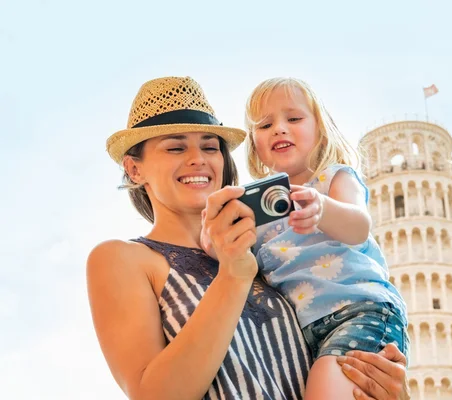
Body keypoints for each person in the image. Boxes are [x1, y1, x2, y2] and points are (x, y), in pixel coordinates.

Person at [86, 76, 410, 400]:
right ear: (134, 168)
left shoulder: (270, 259)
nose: (198, 158)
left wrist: (381, 389)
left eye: (211, 147)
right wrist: (232, 275)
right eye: (176, 147)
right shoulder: (122, 259)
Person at [243, 77, 410, 399]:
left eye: (293, 118)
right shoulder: (257, 207)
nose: (279, 128)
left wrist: (323, 208)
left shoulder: (334, 178)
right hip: (303, 332)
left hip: (359, 309)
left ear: (320, 131)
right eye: (265, 125)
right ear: (255, 145)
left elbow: (359, 225)